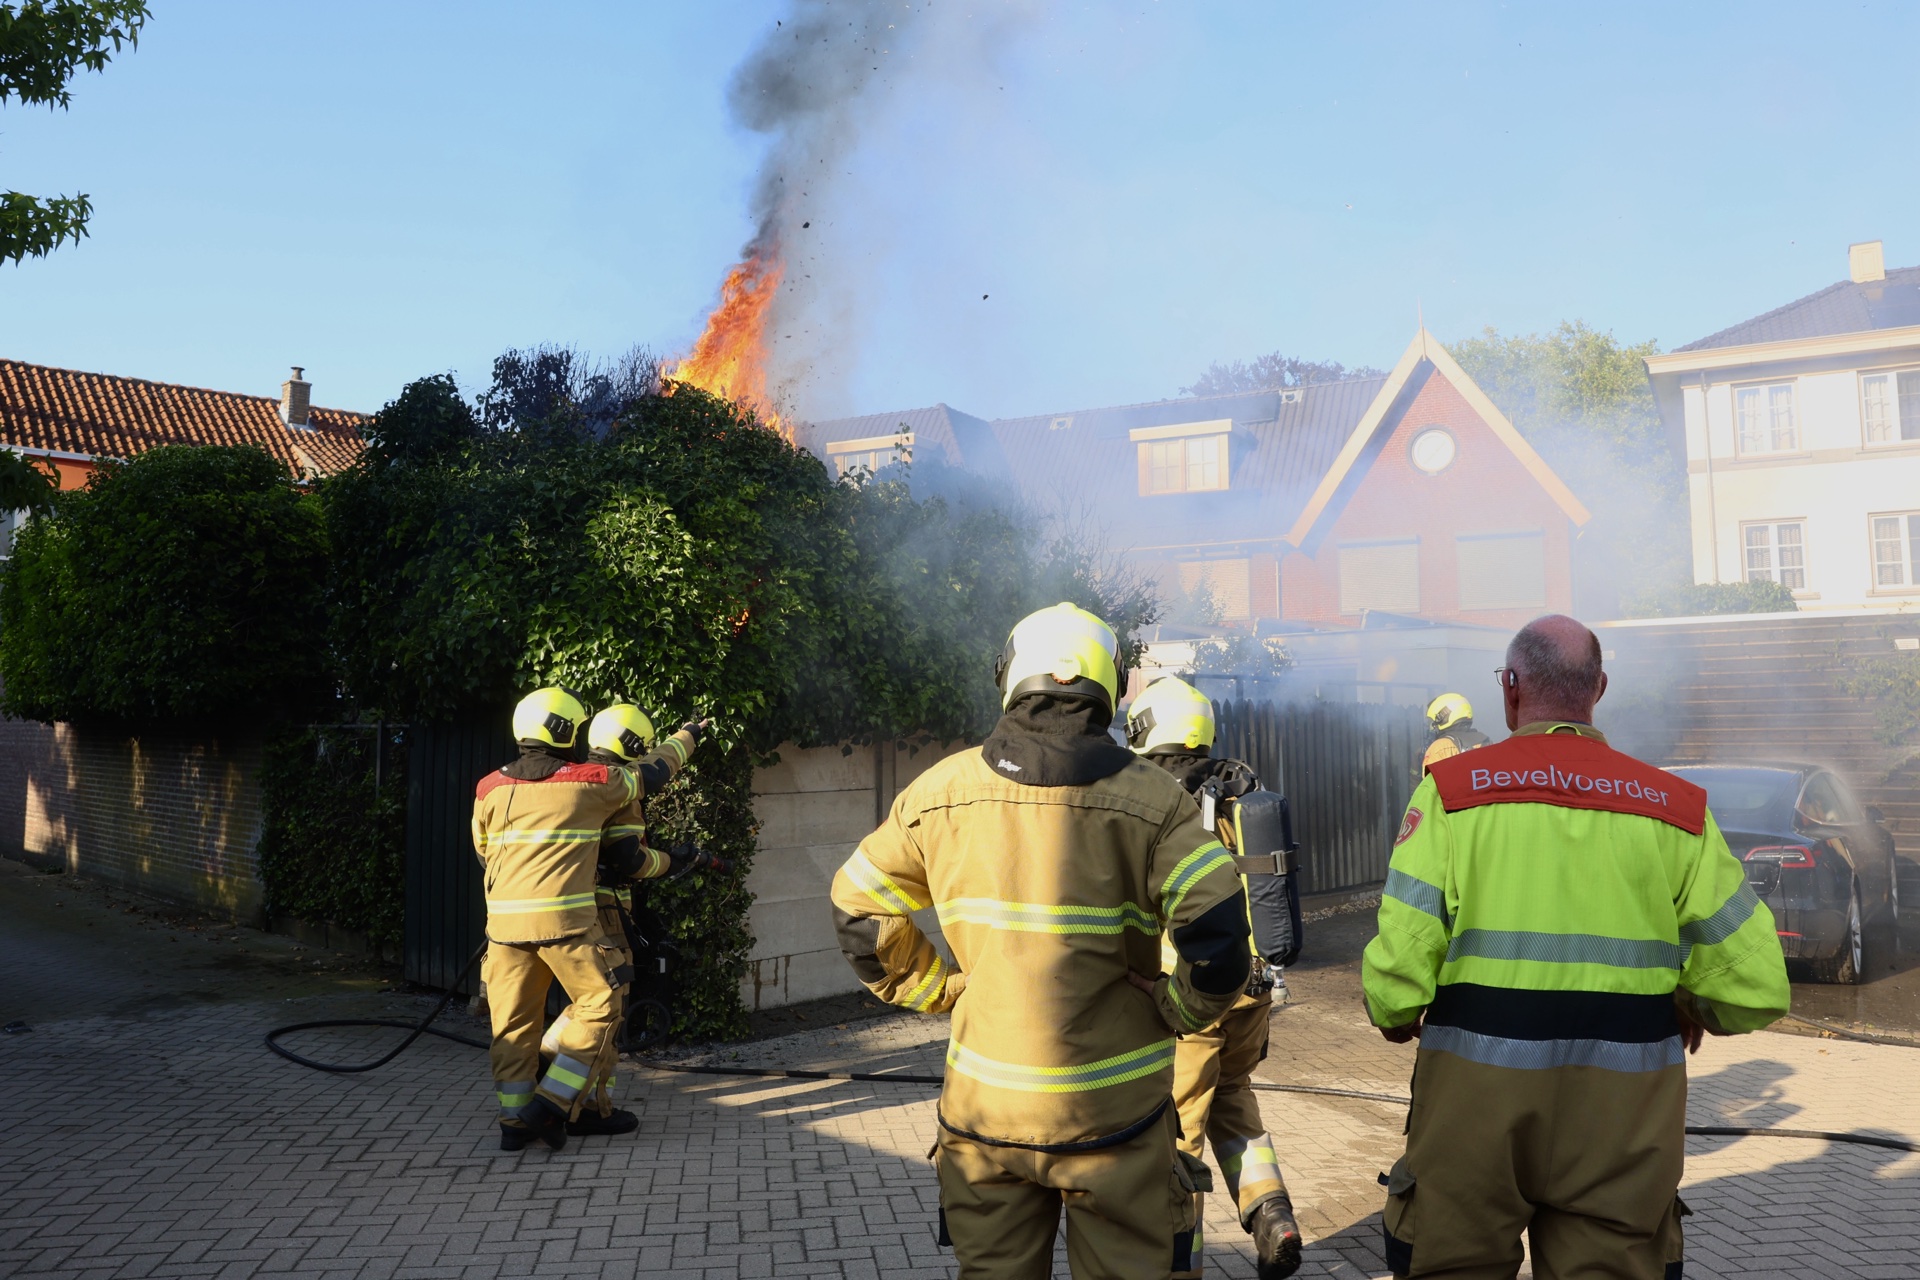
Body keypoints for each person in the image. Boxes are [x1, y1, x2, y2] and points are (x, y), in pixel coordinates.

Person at [829, 603, 1253, 1280]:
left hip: (982, 1119)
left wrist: (942, 990)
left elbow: (857, 907)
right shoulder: (1157, 801)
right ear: (1109, 687)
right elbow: (1221, 935)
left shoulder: (938, 792)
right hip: (1116, 1121)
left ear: (1009, 677)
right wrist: (1178, 1008)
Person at [1363, 615, 1790, 1280]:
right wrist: (1687, 1002)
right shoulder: (1676, 809)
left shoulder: (1450, 794)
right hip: (1623, 1118)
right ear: (1599, 688)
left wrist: (1395, 1015)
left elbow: (1396, 976)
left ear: (1510, 688)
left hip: (1475, 1110)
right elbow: (1756, 988)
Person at [1126, 676, 1303, 1280]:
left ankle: (1180, 1266)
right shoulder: (1236, 799)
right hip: (1253, 992)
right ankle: (1272, 1214)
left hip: (1192, 998)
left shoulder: (1156, 807)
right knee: (1232, 1096)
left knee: (1178, 1135)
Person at [471, 687, 647, 1152]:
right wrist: (687, 736)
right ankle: (551, 1105)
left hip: (502, 929)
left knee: (512, 1027)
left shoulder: (488, 788)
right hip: (564, 924)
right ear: (565, 731)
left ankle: (514, 1124)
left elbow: (484, 852)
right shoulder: (590, 781)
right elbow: (648, 778)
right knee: (601, 1002)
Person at [537, 703, 708, 1136]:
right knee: (609, 1006)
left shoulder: (577, 779)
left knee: (587, 1001)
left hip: (564, 908)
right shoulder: (618, 790)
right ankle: (584, 1107)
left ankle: (551, 1056)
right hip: (607, 912)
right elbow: (629, 860)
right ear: (633, 745)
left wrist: (687, 734)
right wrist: (671, 861)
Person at [1420, 692, 1488, 773]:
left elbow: (1429, 780)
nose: (1432, 727)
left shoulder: (1439, 747)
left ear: (1442, 717)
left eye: (1432, 722)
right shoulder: (1485, 741)